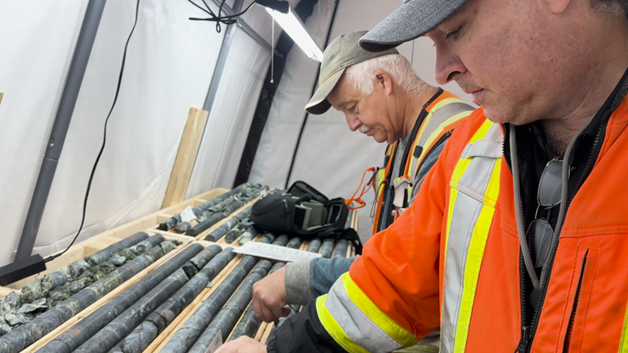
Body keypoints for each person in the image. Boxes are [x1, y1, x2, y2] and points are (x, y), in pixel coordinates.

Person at [218, 0, 628, 350]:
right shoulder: (475, 147)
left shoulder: (451, 138)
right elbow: (395, 282)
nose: (441, 71)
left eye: (456, 29)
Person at [249, 30, 473, 348]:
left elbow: (406, 278)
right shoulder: (402, 140)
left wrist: (296, 280)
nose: (352, 124)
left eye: (352, 107)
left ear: (383, 81)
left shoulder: (451, 142)